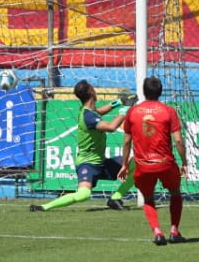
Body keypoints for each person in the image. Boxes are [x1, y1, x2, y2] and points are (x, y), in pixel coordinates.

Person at [30, 80, 137, 212]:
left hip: (101, 162)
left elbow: (99, 112)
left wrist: (119, 102)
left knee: (137, 164)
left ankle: (115, 198)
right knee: (83, 194)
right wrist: (124, 110)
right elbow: (110, 127)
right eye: (93, 87)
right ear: (91, 92)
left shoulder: (89, 111)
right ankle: (44, 207)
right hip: (88, 164)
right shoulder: (88, 116)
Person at [119, 76, 189, 245]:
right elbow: (178, 140)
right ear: (160, 91)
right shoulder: (168, 111)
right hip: (165, 163)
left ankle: (157, 232)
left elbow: (127, 141)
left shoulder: (133, 112)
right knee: (175, 193)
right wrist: (184, 162)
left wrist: (125, 164)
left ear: (143, 92)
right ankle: (174, 230)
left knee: (148, 198)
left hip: (143, 165)